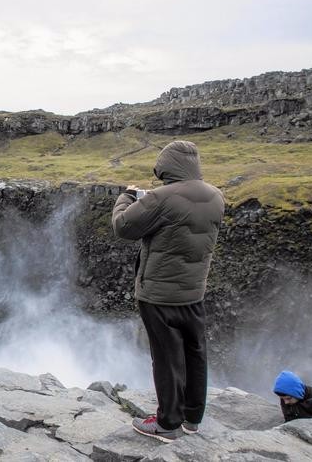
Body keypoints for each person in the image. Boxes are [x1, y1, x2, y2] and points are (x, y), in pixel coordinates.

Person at [112, 140, 224, 442]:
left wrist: (127, 196)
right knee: (194, 354)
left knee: (166, 357)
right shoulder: (216, 197)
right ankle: (191, 418)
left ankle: (166, 424)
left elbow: (123, 227)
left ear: (165, 167)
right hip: (193, 291)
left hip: (158, 294)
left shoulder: (160, 198)